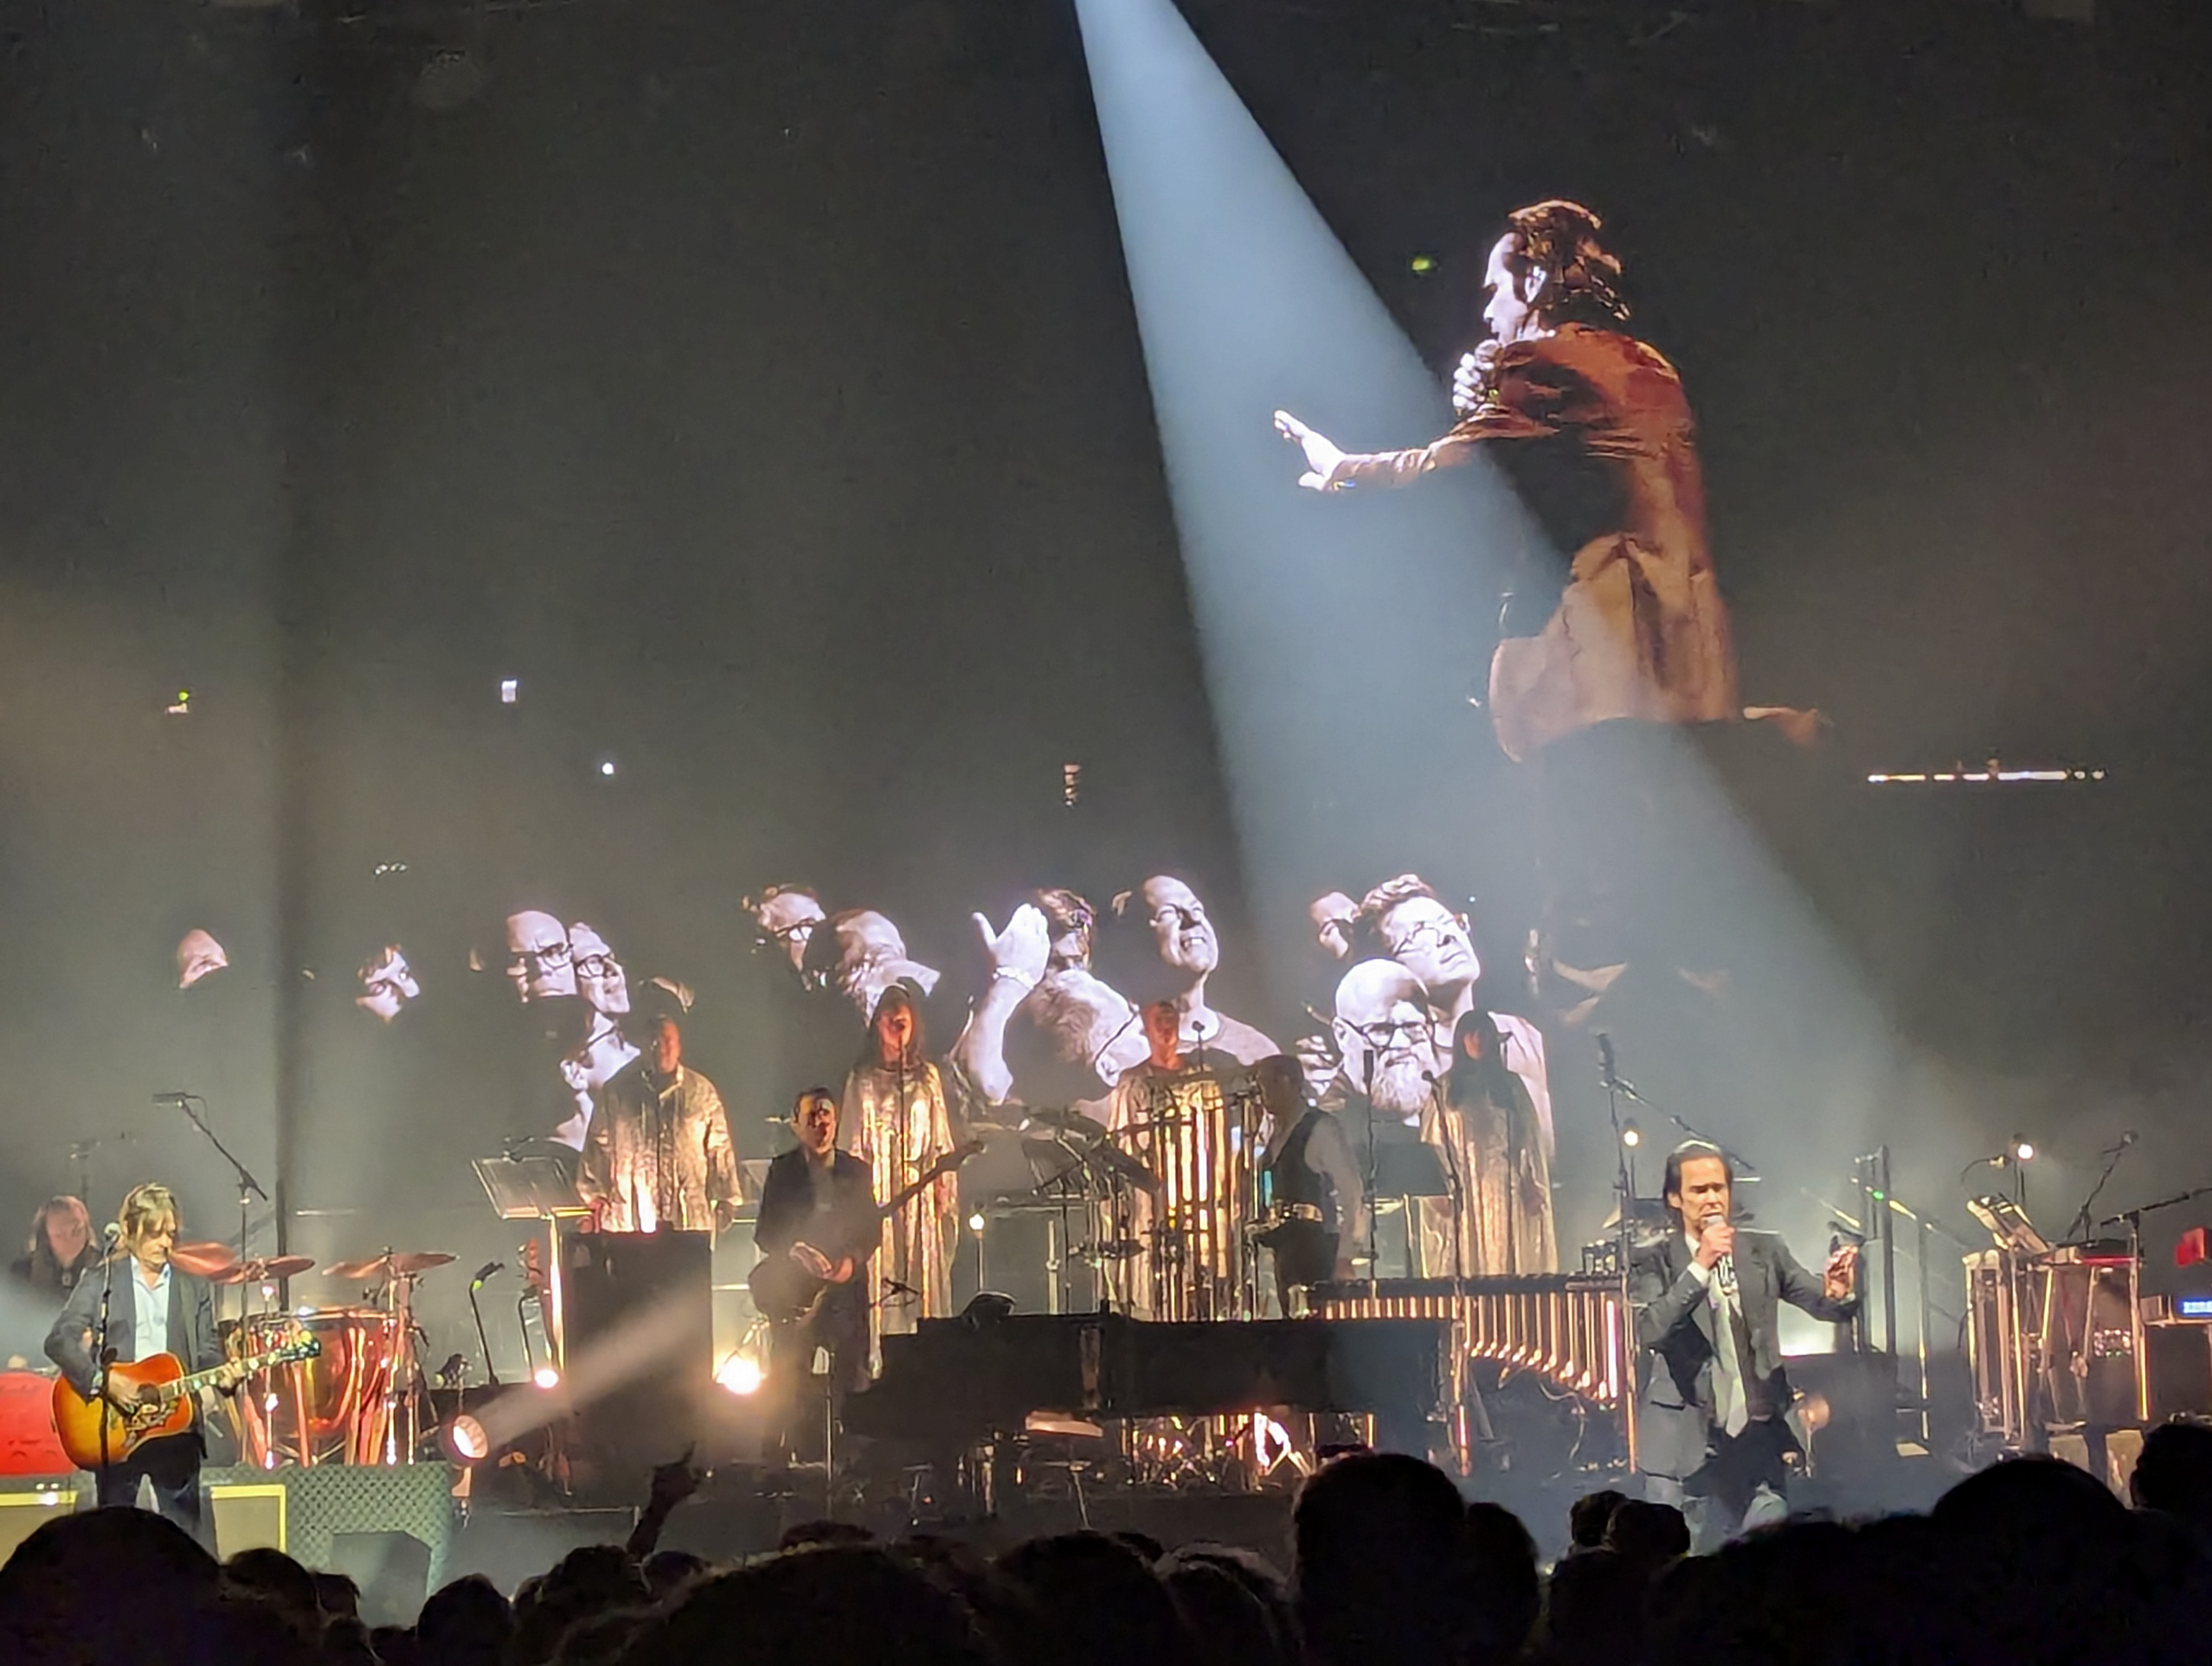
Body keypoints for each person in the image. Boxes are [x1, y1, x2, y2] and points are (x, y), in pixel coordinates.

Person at [1276, 199, 1738, 764]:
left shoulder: (1545, 362)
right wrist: (1492, 395)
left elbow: (1460, 473)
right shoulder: (1647, 363)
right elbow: (1571, 473)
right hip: (1691, 661)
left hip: (1603, 675)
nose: (1490, 311)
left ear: (1537, 280)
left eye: (1497, 290)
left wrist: (1342, 470)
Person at [1631, 1140, 1858, 1547]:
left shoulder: (1764, 1250)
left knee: (1766, 1559)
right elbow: (1652, 1329)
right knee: (1676, 1561)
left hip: (1758, 1437)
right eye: (1699, 1190)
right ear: (1674, 1198)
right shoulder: (1655, 1259)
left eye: (1718, 1188)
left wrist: (1838, 1292)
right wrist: (1701, 1266)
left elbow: (1823, 1305)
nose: (1712, 1198)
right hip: (1684, 1439)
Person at [45, 1182, 247, 1544]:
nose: (165, 1243)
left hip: (175, 1428)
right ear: (129, 1231)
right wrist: (104, 1381)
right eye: (155, 1234)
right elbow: (59, 1340)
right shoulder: (103, 1281)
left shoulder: (193, 1288)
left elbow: (207, 1354)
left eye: (170, 1234)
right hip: (116, 1426)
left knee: (186, 1543)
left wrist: (226, 1378)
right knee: (115, 1541)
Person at [751, 1088, 879, 1465]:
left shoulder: (856, 1171)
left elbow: (870, 1230)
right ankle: (778, 1461)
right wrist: (795, 1251)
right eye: (811, 1117)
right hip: (796, 1293)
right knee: (787, 1379)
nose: (820, 1125)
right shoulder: (783, 1171)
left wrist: (851, 1262)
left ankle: (851, 1462)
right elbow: (766, 1232)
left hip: (845, 1293)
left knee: (851, 1377)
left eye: (826, 1116)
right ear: (796, 1124)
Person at [841, 984, 961, 1344]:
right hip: (878, 1193)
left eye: (903, 1022)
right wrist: (856, 1199)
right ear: (877, 1024)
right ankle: (879, 1357)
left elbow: (942, 1140)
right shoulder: (862, 1080)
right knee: (883, 1275)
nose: (896, 1027)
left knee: (921, 1279)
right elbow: (850, 1146)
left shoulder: (927, 1078)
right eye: (889, 1020)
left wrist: (943, 1189)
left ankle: (927, 1356)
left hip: (919, 1193)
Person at [579, 1015, 741, 1233]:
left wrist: (726, 1198)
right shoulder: (616, 1092)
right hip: (630, 1221)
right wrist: (594, 1195)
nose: (661, 1048)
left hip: (688, 1220)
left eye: (667, 1040)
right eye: (653, 1041)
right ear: (642, 1045)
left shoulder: (701, 1092)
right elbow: (598, 1143)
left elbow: (719, 1147)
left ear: (679, 1046)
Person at [1425, 1009, 1557, 1277]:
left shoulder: (1510, 1086)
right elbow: (1433, 1142)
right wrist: (1435, 1190)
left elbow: (1529, 1138)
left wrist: (1532, 1183)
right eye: (1472, 1033)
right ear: (1461, 1040)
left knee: (1504, 1259)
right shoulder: (1445, 1088)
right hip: (1462, 1189)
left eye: (1484, 1033)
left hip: (1505, 1187)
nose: (1478, 1039)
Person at [1113, 876, 1278, 1072]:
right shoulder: (1119, 1055)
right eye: (1169, 913)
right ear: (1137, 941)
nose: (1193, 919)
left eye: (1197, 910)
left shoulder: (1255, 1050)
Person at [1253, 1054, 1365, 1306]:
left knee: (1318, 1320)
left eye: (1269, 1083)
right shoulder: (1273, 1135)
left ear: (1290, 1083)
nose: (1263, 1093)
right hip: (1285, 1250)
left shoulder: (1321, 1128)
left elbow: (1352, 1193)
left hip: (1317, 1249)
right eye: (1261, 1084)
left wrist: (1345, 1256)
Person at [10, 1195, 101, 1300]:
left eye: (77, 1231)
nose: (70, 1240)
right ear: (46, 1237)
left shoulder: (107, 1269)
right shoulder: (22, 1274)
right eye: (60, 1235)